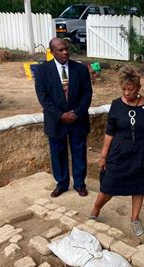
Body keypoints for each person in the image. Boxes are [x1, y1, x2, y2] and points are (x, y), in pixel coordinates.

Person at [89, 65, 144, 236]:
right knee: (108, 185)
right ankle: (95, 211)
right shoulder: (116, 105)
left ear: (138, 87)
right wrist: (103, 156)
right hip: (119, 152)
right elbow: (109, 133)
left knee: (139, 187)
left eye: (130, 89)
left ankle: (135, 219)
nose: (126, 93)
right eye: (123, 89)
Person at [35, 37, 92, 198]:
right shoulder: (42, 71)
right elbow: (43, 97)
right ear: (52, 52)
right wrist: (60, 115)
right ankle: (61, 184)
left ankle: (80, 184)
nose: (65, 52)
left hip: (77, 119)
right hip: (56, 121)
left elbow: (87, 94)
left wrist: (76, 113)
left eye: (66, 48)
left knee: (79, 152)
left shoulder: (80, 69)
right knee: (57, 153)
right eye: (60, 50)